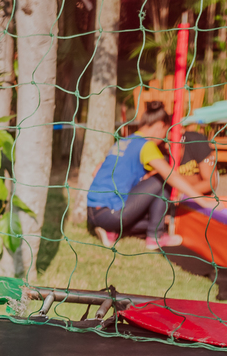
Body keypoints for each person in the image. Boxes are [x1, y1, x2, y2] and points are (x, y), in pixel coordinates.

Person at [86, 101, 208, 250]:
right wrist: (203, 201)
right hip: (112, 214)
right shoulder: (146, 145)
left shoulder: (123, 141)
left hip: (93, 212)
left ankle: (112, 231)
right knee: (163, 179)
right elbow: (172, 176)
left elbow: (95, 172)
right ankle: (155, 237)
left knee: (158, 218)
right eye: (165, 133)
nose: (164, 140)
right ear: (159, 126)